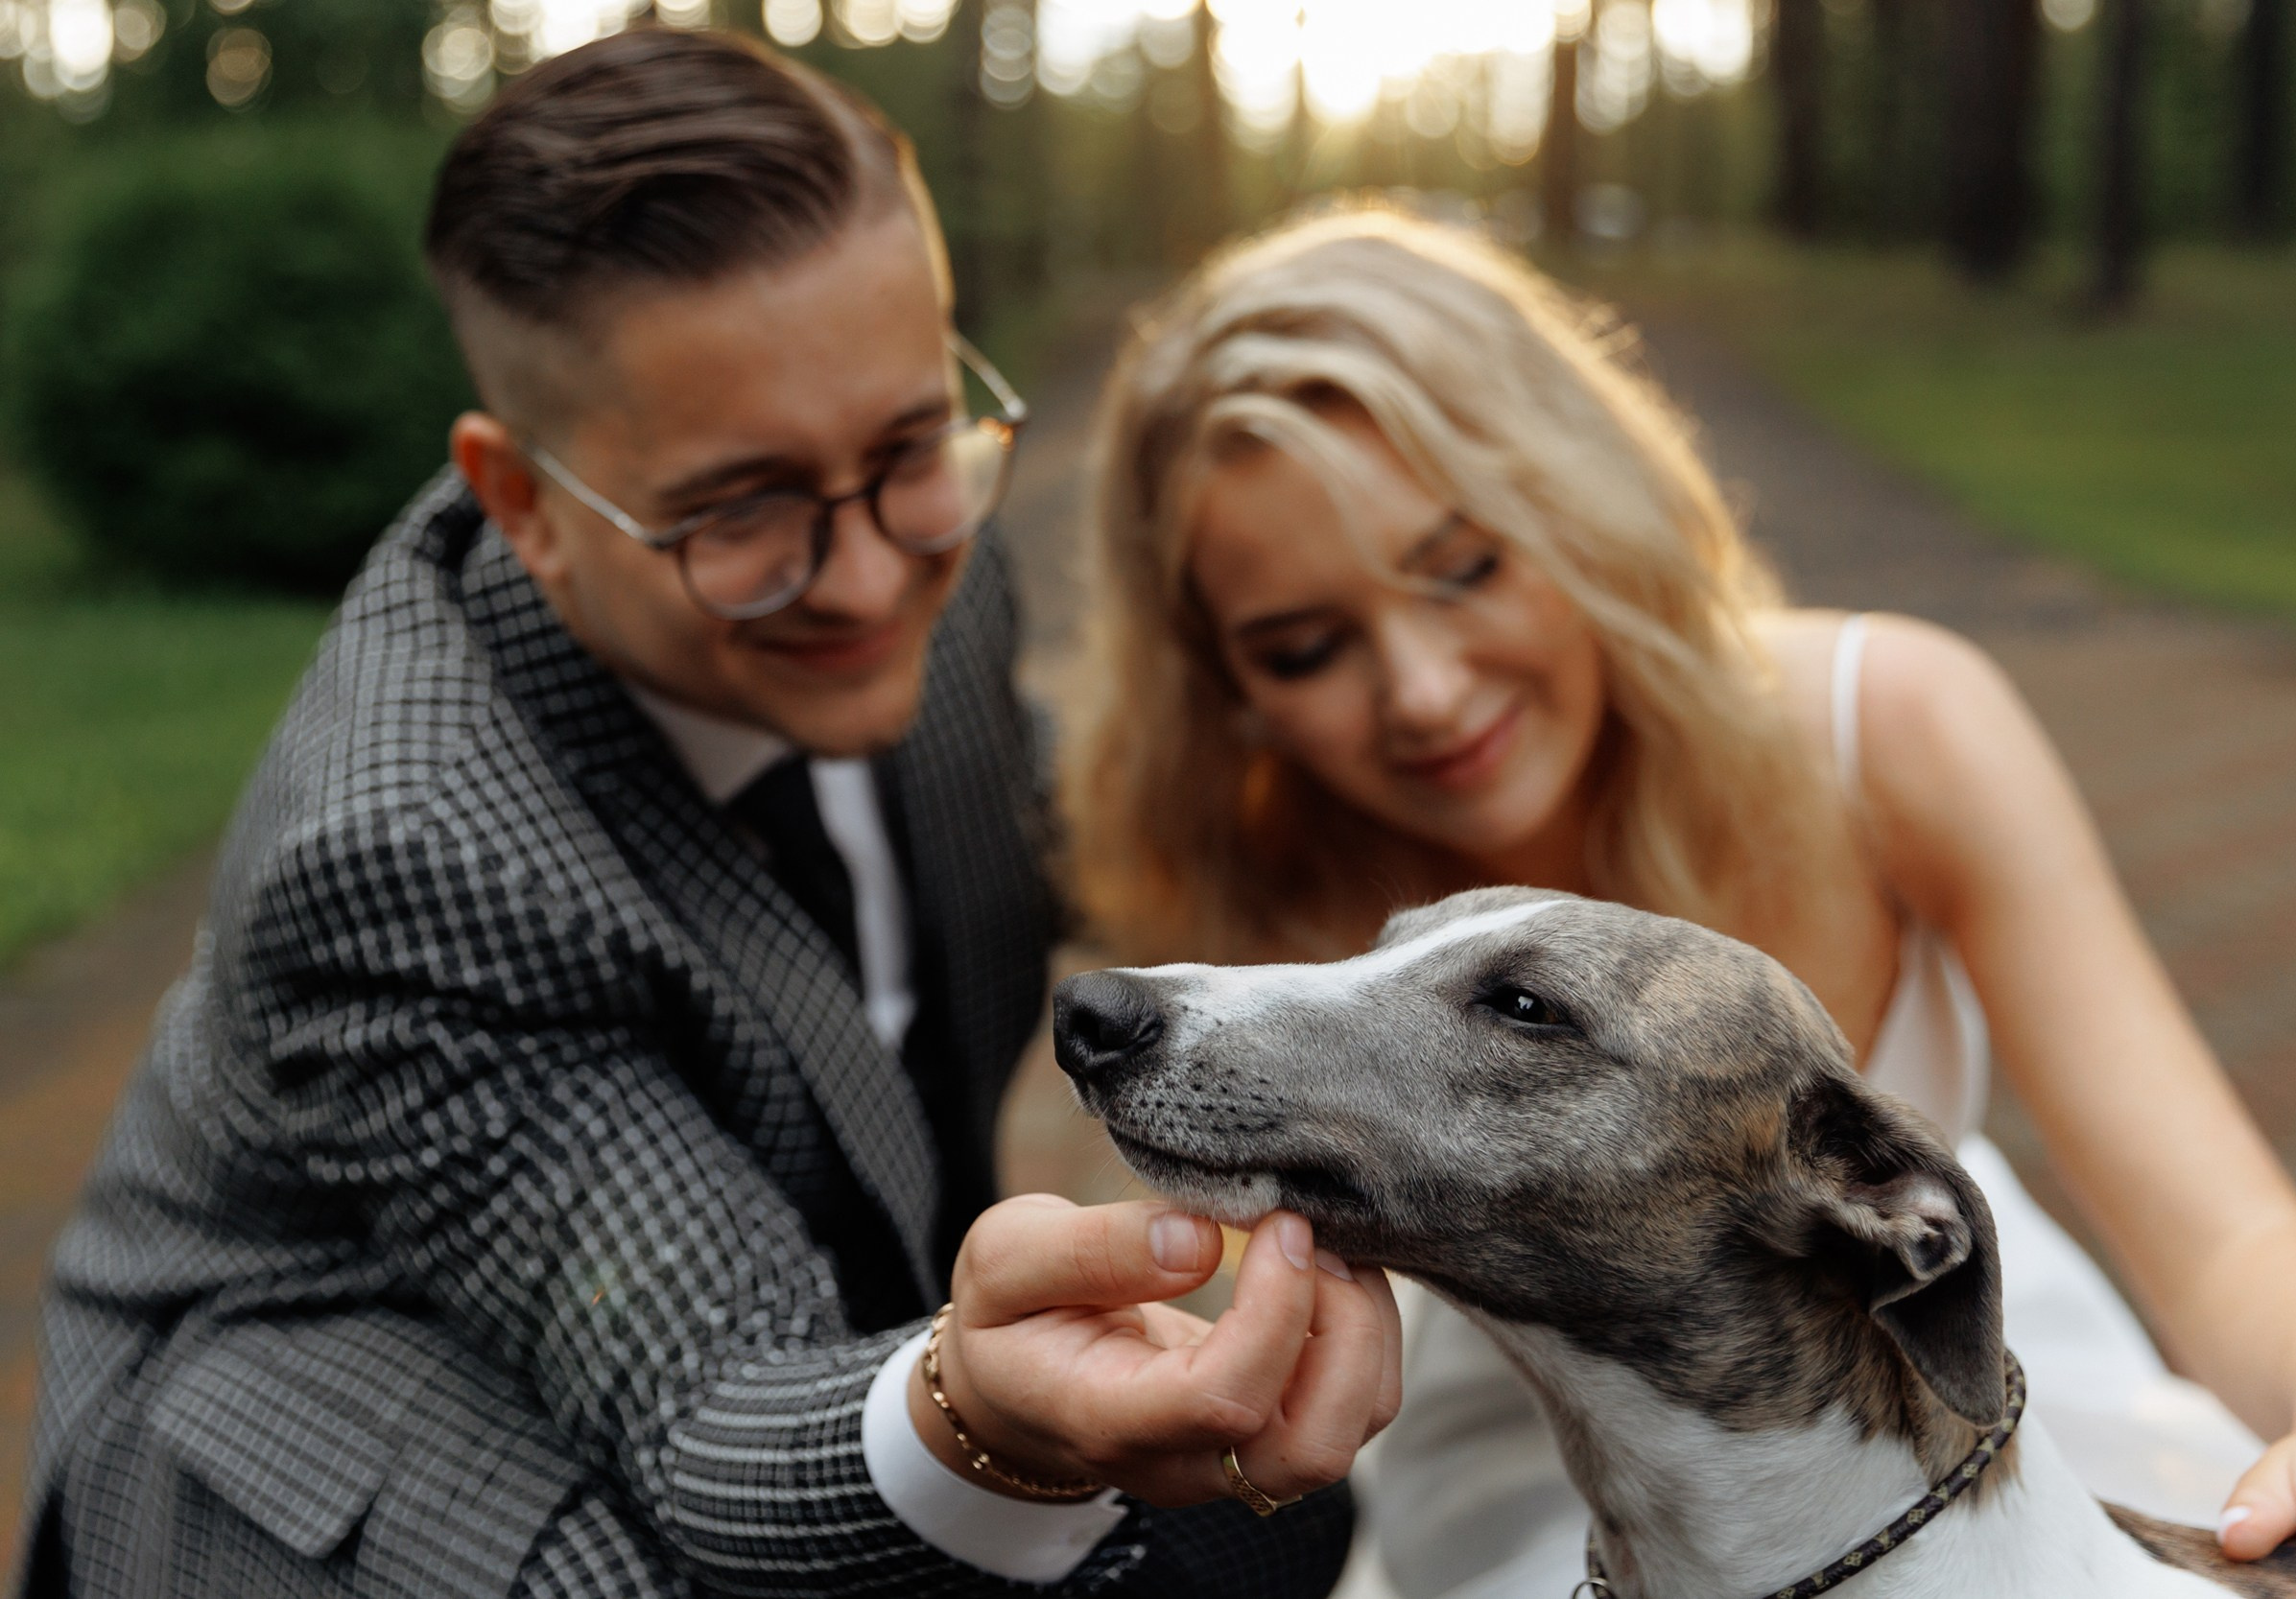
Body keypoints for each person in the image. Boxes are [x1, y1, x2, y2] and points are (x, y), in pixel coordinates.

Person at [16, 32, 1401, 1599]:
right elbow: (701, 1400)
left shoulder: (917, 539)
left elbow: (1080, 834)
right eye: (738, 511)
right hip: (333, 1429)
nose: (875, 581)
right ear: (523, 502)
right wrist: (978, 1417)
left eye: (903, 448)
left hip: (774, 1303)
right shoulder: (403, 853)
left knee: (1256, 1535)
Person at [1061, 207, 2296, 1598]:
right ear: (1223, 684)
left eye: (1465, 567)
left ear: (1576, 504)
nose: (1425, 692)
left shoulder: (1889, 729)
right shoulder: (1270, 868)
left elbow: (2230, 1237)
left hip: (1958, 1436)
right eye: (1306, 647)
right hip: (1515, 1509)